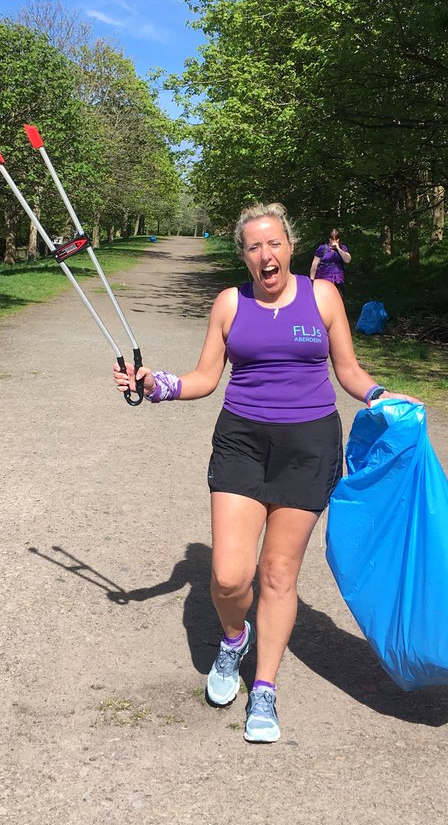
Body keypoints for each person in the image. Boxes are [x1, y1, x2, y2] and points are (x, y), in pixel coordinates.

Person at [113, 202, 419, 745]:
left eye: (273, 243)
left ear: (290, 247)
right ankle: (234, 639)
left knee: (278, 574)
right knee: (231, 576)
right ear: (244, 255)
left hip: (309, 446)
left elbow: (346, 369)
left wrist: (379, 396)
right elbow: (206, 377)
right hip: (242, 442)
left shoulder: (323, 296)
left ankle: (265, 686)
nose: (265, 254)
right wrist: (153, 384)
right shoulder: (230, 303)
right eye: (254, 246)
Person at [310, 227, 351, 298]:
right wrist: (312, 280)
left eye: (336, 239)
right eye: (332, 239)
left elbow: (347, 260)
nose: (334, 241)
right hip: (323, 279)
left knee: (338, 299)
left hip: (338, 280)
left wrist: (338, 248)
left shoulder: (343, 248)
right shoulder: (322, 248)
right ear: (329, 239)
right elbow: (314, 265)